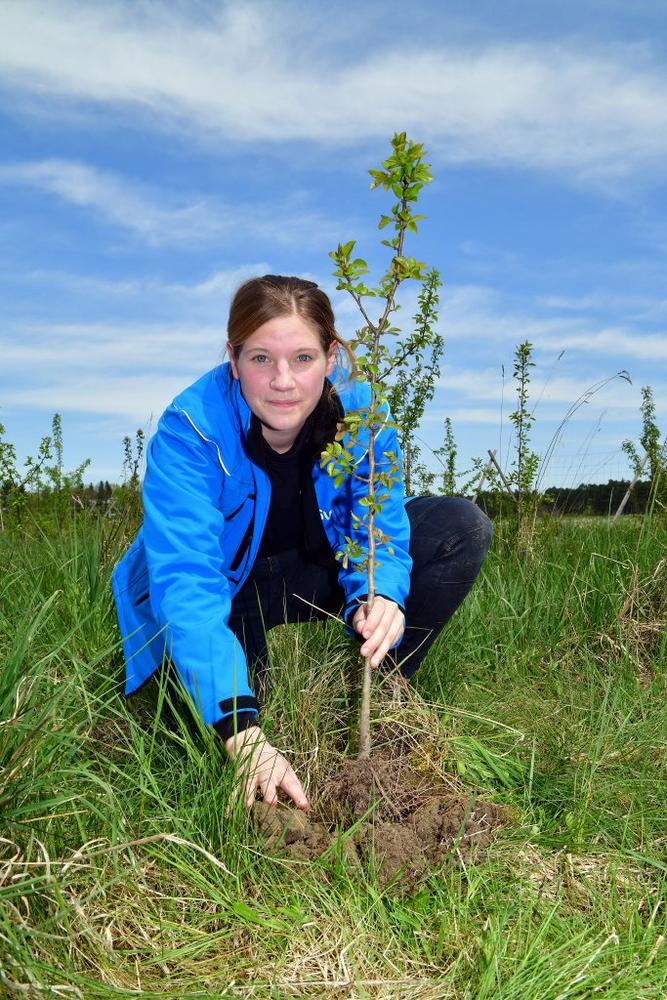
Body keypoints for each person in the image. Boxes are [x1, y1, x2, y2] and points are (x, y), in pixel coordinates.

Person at [112, 275, 492, 812]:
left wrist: (381, 594)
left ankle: (382, 698)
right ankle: (235, 709)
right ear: (233, 358)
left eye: (304, 357)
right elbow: (186, 579)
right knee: (238, 728)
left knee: (461, 526)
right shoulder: (191, 429)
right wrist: (242, 732)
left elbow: (378, 526)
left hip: (315, 571)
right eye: (262, 358)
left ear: (331, 357)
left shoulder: (361, 416)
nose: (283, 381)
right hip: (229, 589)